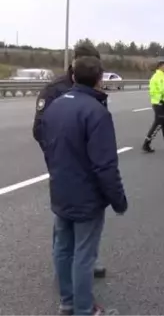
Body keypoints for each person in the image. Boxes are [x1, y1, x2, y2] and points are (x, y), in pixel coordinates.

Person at [41, 56, 128, 316]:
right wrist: (118, 200)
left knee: (63, 247)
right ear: (100, 79)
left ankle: (67, 303)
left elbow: (48, 147)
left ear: (74, 77)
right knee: (84, 255)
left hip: (60, 188)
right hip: (86, 196)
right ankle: (84, 309)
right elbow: (105, 165)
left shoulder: (54, 107)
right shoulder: (96, 112)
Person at [32, 43, 108, 279]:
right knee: (64, 220)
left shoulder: (94, 86)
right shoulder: (55, 90)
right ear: (75, 62)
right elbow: (40, 129)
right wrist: (60, 157)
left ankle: (86, 261)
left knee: (89, 216)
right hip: (64, 167)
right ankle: (63, 268)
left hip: (89, 166)